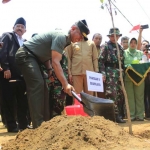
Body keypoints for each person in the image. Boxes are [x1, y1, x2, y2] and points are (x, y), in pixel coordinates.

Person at [15, 19, 90, 128]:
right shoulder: (61, 36)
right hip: (26, 55)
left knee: (44, 87)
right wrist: (65, 84)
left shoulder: (67, 40)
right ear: (73, 29)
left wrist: (49, 70)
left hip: (36, 58)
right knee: (37, 85)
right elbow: (56, 62)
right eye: (80, 34)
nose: (81, 39)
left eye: (83, 37)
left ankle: (45, 123)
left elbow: (45, 55)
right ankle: (38, 125)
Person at [0, 17, 30, 132]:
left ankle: (23, 125)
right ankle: (11, 126)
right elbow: (2, 51)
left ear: (25, 30)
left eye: (22, 27)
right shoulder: (7, 36)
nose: (20, 28)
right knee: (8, 101)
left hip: (21, 76)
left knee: (22, 101)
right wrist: (6, 67)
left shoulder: (26, 42)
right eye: (18, 26)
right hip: (8, 74)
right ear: (13, 28)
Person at [99, 28, 125, 123]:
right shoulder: (105, 46)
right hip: (110, 72)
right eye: (112, 36)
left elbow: (122, 62)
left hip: (119, 74)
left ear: (118, 36)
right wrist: (103, 73)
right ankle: (112, 116)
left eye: (116, 36)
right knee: (111, 95)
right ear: (109, 36)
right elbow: (101, 61)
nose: (114, 37)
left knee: (119, 96)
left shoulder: (120, 47)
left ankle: (118, 115)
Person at [124, 38, 144, 121]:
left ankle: (140, 115)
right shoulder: (124, 52)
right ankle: (131, 115)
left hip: (139, 77)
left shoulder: (140, 53)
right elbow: (123, 63)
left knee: (139, 96)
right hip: (128, 76)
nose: (133, 44)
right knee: (130, 97)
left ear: (136, 44)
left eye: (134, 43)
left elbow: (144, 63)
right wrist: (129, 65)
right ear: (129, 43)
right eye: (131, 42)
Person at [137, 27, 150, 118]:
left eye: (147, 44)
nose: (145, 46)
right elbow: (138, 45)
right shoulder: (139, 53)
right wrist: (140, 33)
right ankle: (143, 113)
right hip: (141, 78)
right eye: (143, 44)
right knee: (142, 96)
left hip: (149, 77)